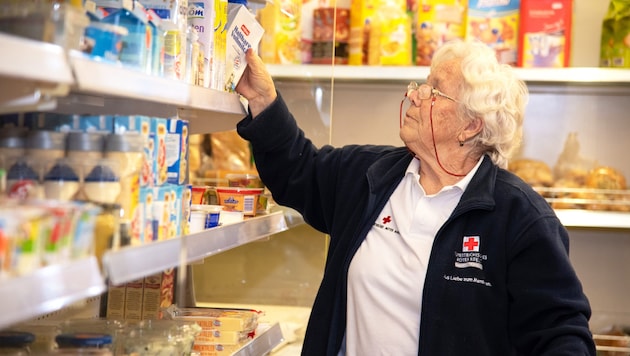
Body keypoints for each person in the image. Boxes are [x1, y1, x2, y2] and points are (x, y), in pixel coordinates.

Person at [234, 40, 596, 355]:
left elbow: (561, 335)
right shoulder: (368, 175)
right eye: (422, 84)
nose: (414, 94)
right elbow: (299, 171)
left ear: (470, 126)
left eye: (434, 92)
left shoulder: (521, 217)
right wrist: (265, 100)